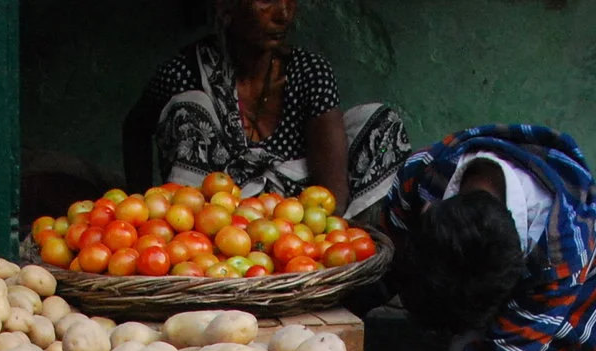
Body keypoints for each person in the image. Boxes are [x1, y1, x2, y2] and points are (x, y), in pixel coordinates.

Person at [379, 124, 596, 351]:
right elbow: (380, 262)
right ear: (428, 211)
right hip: (467, 312)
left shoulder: (562, 251)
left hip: (566, 342)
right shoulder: (421, 175)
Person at [134, 0, 409, 219]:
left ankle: (351, 277)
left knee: (381, 122)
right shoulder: (184, 74)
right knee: (190, 106)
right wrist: (139, 208)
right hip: (212, 227)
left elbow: (331, 195)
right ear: (225, 6)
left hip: (295, 223)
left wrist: (319, 237)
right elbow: (134, 130)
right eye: (266, 0)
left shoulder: (309, 73)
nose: (284, 13)